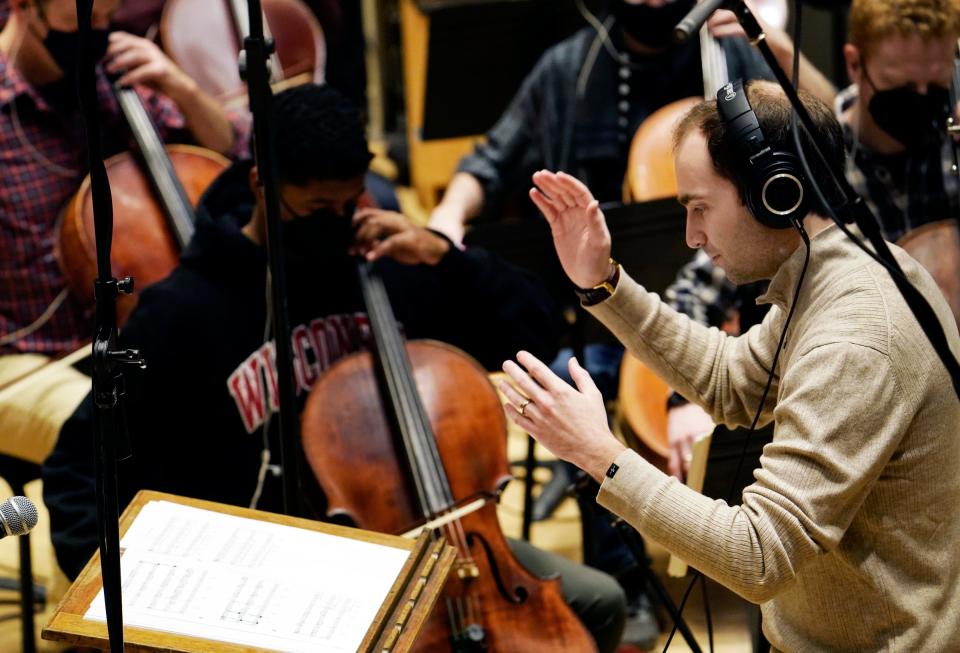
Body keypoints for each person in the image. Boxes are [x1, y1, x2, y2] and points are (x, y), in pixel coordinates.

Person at [42, 83, 628, 653]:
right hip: (279, 571)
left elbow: (535, 328)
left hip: (430, 538)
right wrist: (125, 602)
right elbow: (79, 468)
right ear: (262, 187)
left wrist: (447, 259)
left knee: (597, 601)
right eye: (320, 208)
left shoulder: (388, 263)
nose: (340, 222)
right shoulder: (183, 312)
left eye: (351, 203)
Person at [500, 79, 960, 651]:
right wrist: (604, 283)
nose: (693, 236)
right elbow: (732, 382)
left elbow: (759, 555)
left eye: (700, 208)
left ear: (775, 193)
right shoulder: (835, 269)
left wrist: (600, 454)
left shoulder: (856, 338)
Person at [663, 0, 960, 480]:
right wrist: (684, 399)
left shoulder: (954, 140)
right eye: (905, 87)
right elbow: (697, 289)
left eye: (938, 85)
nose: (923, 98)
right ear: (855, 65)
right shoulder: (803, 166)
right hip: (858, 412)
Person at [0, 0, 245, 465]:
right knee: (126, 430)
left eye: (106, 18)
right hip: (30, 358)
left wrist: (183, 89)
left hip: (136, 338)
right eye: (81, 19)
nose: (97, 33)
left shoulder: (109, 78)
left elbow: (238, 156)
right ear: (22, 6)